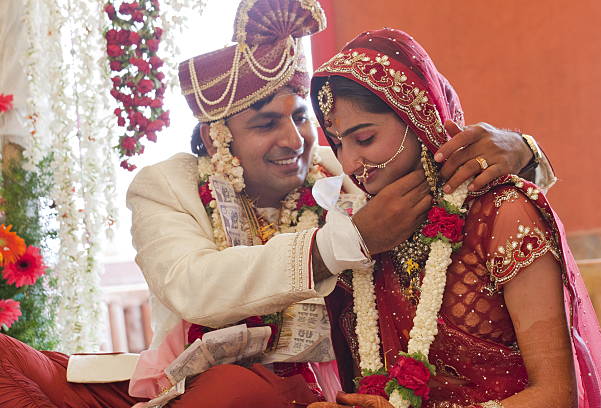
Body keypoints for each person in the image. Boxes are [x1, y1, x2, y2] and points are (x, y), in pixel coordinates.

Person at [0, 1, 555, 407]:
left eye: (299, 117)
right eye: (266, 124)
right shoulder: (166, 187)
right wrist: (348, 241)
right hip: (213, 392)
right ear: (219, 137)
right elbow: (194, 286)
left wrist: (521, 150)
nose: (293, 140)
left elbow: (426, 161)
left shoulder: (337, 170)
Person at [306, 28, 601, 408]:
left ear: (417, 119)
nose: (349, 163)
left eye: (364, 138)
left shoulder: (502, 212)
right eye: (337, 143)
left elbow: (556, 396)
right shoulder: (364, 234)